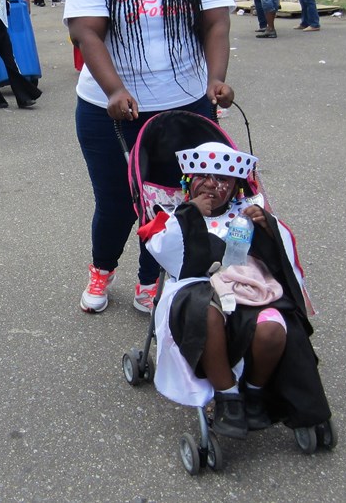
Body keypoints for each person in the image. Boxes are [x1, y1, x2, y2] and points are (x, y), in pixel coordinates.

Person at [64, 0, 235, 315]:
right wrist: (115, 89)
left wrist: (216, 78)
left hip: (186, 106)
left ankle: (149, 278)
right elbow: (87, 32)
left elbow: (216, 21)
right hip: (109, 111)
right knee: (119, 202)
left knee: (171, 198)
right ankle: (101, 271)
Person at [139, 141, 330, 438]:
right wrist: (190, 214)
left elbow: (281, 256)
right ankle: (228, 397)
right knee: (206, 313)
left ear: (235, 186)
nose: (211, 185)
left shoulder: (246, 212)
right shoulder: (172, 212)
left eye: (222, 180)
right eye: (202, 176)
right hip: (194, 288)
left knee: (275, 326)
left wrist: (267, 226)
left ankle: (254, 393)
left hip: (246, 291)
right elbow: (165, 253)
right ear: (188, 180)